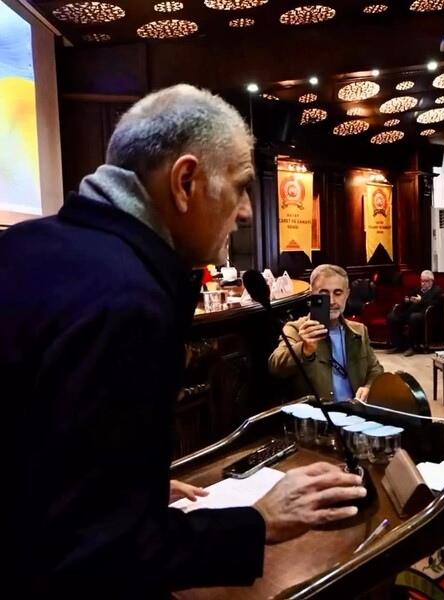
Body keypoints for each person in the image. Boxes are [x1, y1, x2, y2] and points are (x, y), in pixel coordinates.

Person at [0, 85, 366, 596]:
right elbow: (94, 553)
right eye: (239, 187)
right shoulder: (127, 301)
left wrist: (135, 492)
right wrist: (259, 522)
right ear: (185, 182)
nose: (245, 211)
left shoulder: (23, 243)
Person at [269, 264, 384, 402]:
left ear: (347, 294)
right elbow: (275, 366)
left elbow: (375, 369)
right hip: (317, 412)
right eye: (324, 294)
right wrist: (304, 349)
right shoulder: (295, 329)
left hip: (355, 409)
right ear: (312, 294)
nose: (332, 301)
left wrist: (368, 387)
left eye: (338, 293)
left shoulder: (359, 330)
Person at [387, 270, 444, 356]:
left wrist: (421, 301)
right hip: (410, 312)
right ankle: (398, 345)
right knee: (392, 317)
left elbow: (435, 304)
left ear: (431, 281)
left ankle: (411, 347)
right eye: (422, 281)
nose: (423, 283)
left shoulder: (437, 291)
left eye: (426, 281)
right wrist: (406, 301)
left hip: (426, 314)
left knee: (414, 317)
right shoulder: (417, 290)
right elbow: (408, 300)